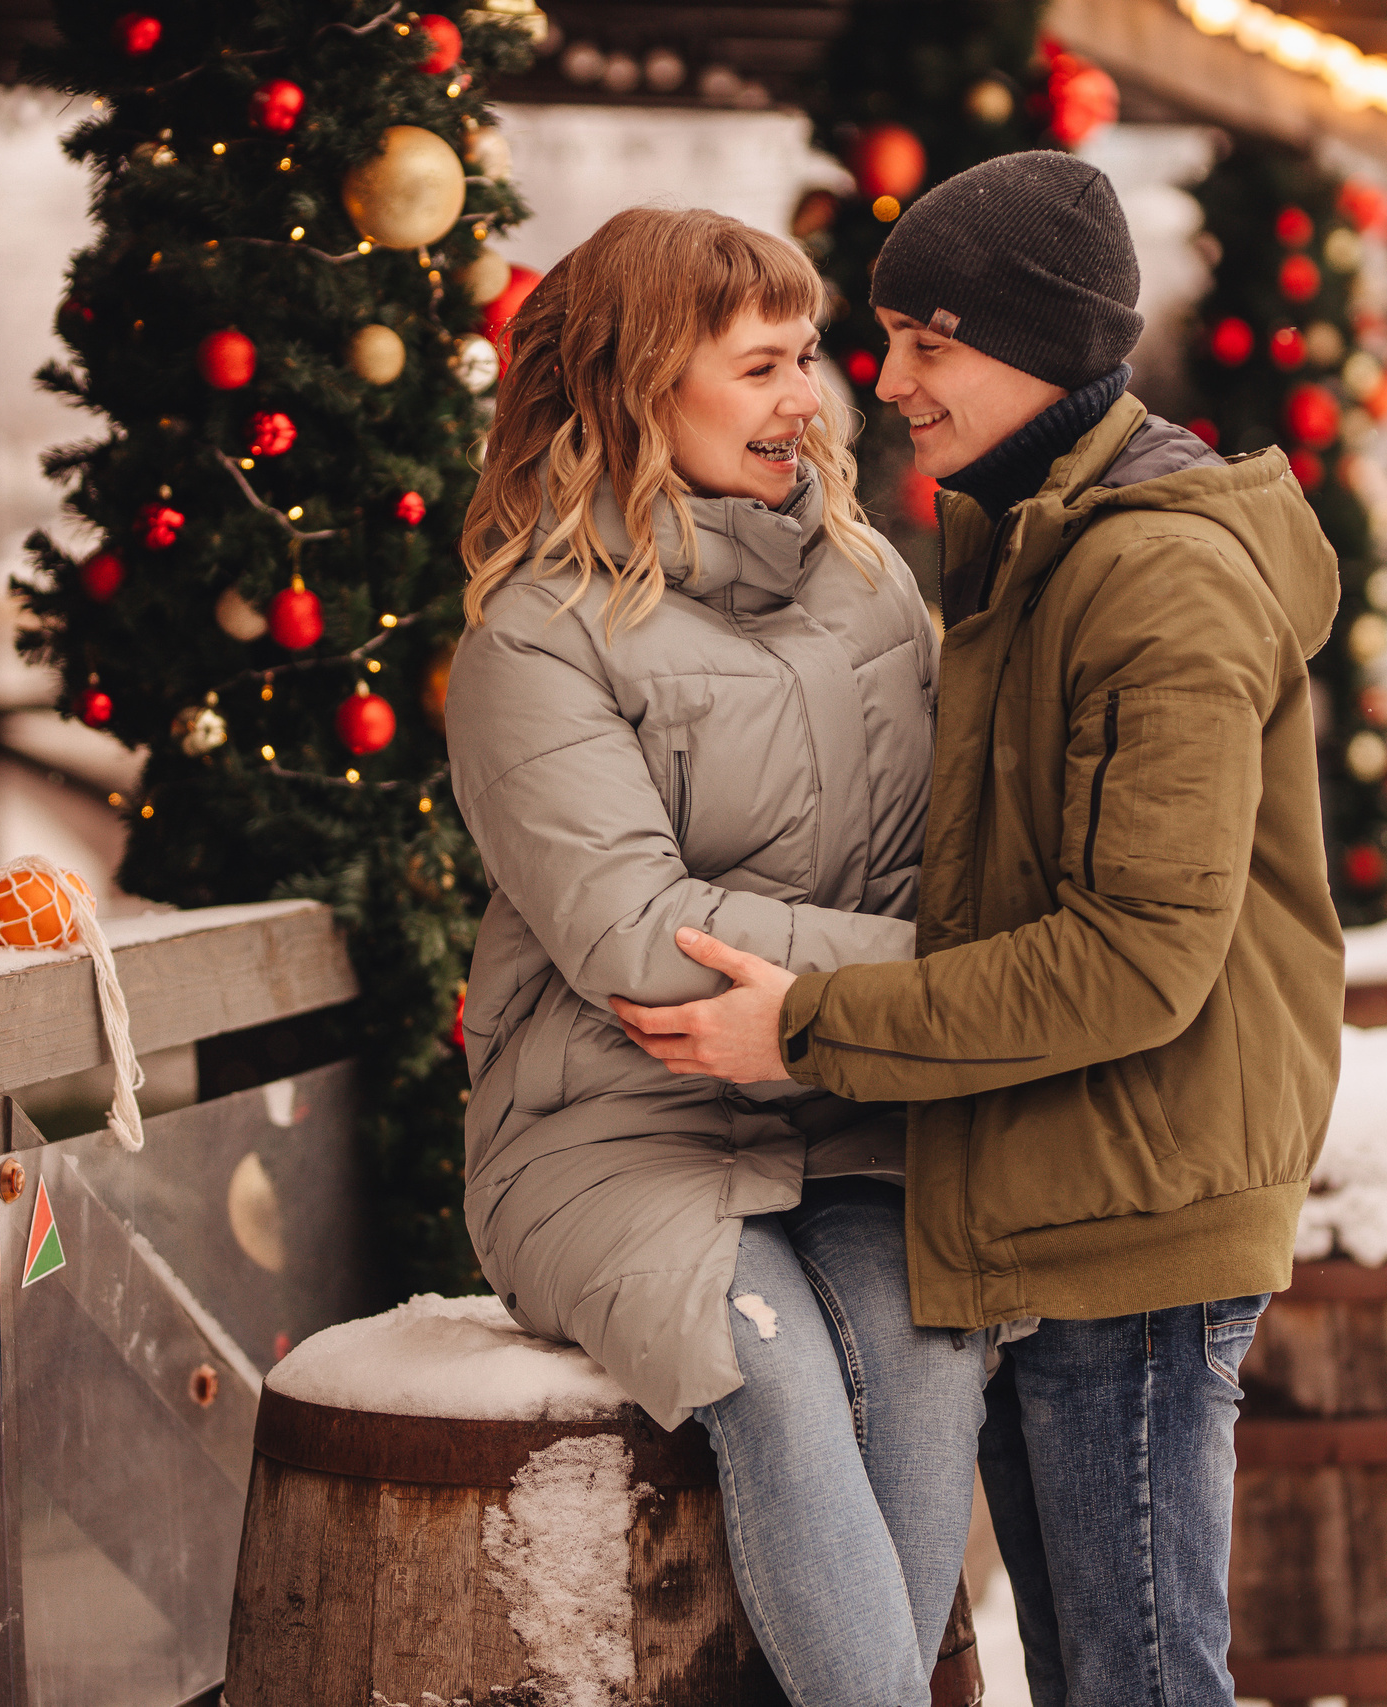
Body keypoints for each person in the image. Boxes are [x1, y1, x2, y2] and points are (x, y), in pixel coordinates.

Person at [611, 153, 1347, 1707]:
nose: (886, 386)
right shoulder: (1037, 545)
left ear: (1040, 340)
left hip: (1136, 1211)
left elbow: (1137, 956)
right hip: (1069, 1186)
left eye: (929, 343)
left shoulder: (1157, 580)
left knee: (1137, 1681)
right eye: (883, 341)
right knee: (1096, 1672)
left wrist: (806, 1024)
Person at [445, 206, 985, 1707]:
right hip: (615, 1130)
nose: (808, 400)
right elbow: (635, 937)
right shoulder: (535, 641)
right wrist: (921, 971)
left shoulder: (872, 585)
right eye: (759, 367)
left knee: (931, 1362)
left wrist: (855, 1001)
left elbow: (956, 874)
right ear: (636, 385)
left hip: (850, 1108)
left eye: (807, 358)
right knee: (782, 1379)